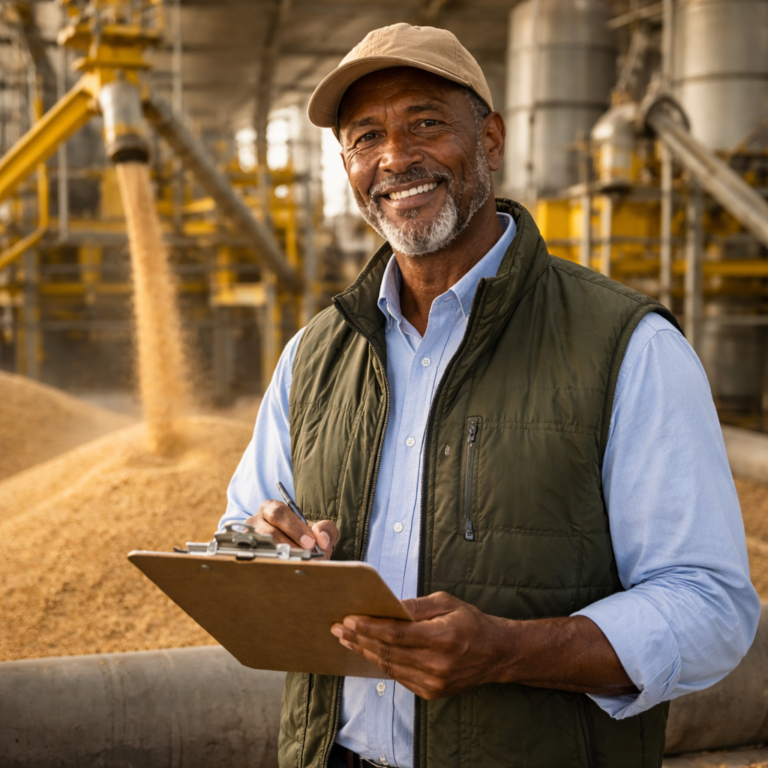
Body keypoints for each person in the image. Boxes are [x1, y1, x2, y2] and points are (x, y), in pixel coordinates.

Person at [222, 23, 760, 768]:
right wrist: (267, 549)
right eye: (365, 135)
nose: (395, 158)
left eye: (425, 124)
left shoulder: (626, 347)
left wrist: (507, 651)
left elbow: (711, 608)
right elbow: (237, 538)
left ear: (493, 141)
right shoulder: (315, 354)